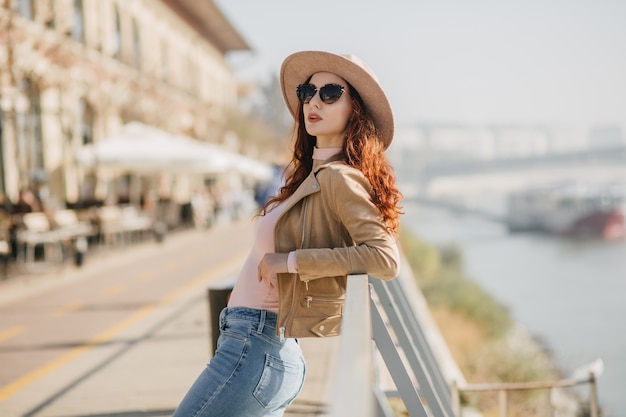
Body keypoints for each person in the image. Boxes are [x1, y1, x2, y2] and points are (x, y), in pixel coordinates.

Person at [172, 50, 403, 417]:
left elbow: (384, 257)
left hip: (257, 347)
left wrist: (291, 262)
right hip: (254, 344)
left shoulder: (339, 178)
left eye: (330, 93)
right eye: (307, 92)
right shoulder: (310, 176)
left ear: (354, 109)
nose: (314, 100)